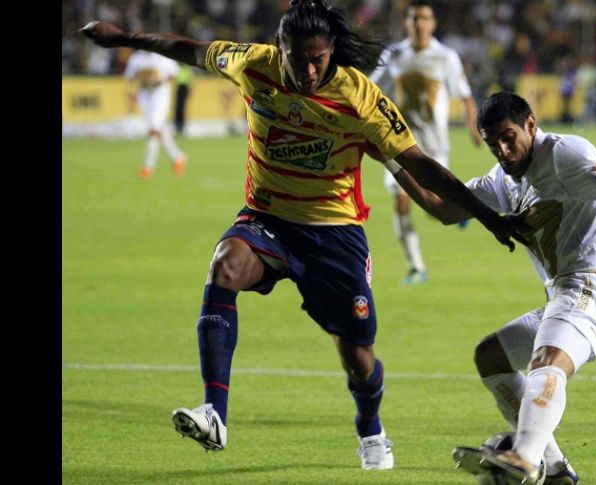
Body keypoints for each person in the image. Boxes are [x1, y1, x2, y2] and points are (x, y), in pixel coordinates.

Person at [79, 0, 522, 471]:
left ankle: (371, 428)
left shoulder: (360, 97)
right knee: (225, 264)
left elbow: (421, 166)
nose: (309, 70)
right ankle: (214, 412)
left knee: (358, 357)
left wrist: (486, 215)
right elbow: (188, 48)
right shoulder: (251, 63)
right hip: (269, 220)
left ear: (331, 51)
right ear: (279, 47)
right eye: (298, 58)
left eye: (319, 59)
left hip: (335, 234)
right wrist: (125, 39)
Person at [384, 92, 596, 484]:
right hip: (567, 295)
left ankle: (524, 456)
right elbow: (444, 208)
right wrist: (392, 158)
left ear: (530, 125)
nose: (503, 151)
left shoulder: (564, 155)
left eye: (509, 138)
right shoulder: (502, 180)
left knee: (547, 360)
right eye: (494, 145)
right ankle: (555, 469)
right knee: (491, 356)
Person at [368, 0, 483, 284]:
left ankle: (458, 208)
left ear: (433, 23)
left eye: (425, 18)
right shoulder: (394, 54)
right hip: (400, 143)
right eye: (414, 18)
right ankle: (416, 266)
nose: (419, 23)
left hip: (434, 145)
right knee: (402, 202)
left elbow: (465, 95)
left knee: (434, 205)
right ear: (406, 23)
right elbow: (370, 89)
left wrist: (473, 127)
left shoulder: (446, 57)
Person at [123, 49, 188, 178]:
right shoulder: (136, 58)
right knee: (158, 130)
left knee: (154, 129)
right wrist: (141, 76)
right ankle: (179, 157)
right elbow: (129, 76)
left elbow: (174, 73)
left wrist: (160, 80)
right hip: (145, 94)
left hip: (160, 94)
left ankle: (148, 167)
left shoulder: (163, 56)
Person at [174, 63, 193, 135]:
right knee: (178, 109)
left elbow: (189, 81)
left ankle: (181, 126)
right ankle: (178, 126)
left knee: (182, 109)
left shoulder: (186, 69)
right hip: (179, 89)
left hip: (184, 88)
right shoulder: (178, 69)